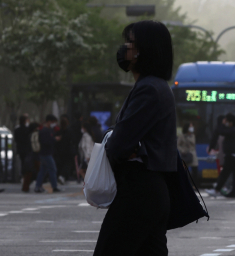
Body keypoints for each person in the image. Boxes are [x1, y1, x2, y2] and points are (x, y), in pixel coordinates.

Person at [94, 20, 178, 256]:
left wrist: (114, 143)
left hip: (139, 193)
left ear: (143, 51)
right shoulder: (155, 86)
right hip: (150, 192)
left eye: (129, 43)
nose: (124, 49)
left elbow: (119, 144)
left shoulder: (149, 89)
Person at [207, 113, 235, 198]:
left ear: (230, 122)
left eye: (227, 121)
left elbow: (221, 131)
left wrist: (222, 124)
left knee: (225, 173)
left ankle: (217, 190)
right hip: (231, 155)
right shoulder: (232, 129)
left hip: (231, 155)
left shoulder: (232, 130)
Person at [34, 115, 62, 193]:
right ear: (49, 121)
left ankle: (38, 186)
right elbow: (46, 142)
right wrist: (54, 139)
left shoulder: (46, 130)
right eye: (53, 122)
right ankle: (54, 186)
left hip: (44, 153)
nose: (54, 124)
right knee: (52, 169)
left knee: (43, 170)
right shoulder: (45, 131)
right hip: (46, 153)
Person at [14, 114, 32, 192]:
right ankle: (25, 178)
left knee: (22, 163)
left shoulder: (17, 129)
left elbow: (16, 139)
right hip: (27, 150)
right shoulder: (27, 129)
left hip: (20, 150)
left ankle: (23, 177)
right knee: (27, 165)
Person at [54, 115, 74, 185]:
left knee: (61, 164)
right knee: (67, 165)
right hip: (68, 152)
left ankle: (61, 176)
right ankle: (63, 176)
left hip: (59, 151)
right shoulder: (70, 132)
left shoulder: (58, 132)